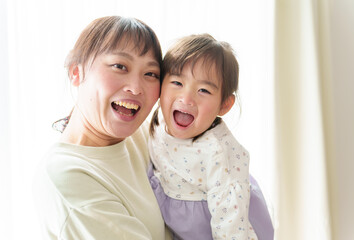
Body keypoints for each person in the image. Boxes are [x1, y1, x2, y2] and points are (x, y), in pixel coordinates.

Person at [33, 16, 172, 240]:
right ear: (76, 73)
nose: (136, 88)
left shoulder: (145, 136)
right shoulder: (68, 176)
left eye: (150, 74)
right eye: (119, 66)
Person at [147, 34, 263, 240]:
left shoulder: (218, 152)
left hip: (220, 225)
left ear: (224, 105)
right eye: (176, 82)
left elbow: (231, 224)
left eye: (203, 90)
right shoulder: (158, 120)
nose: (187, 98)